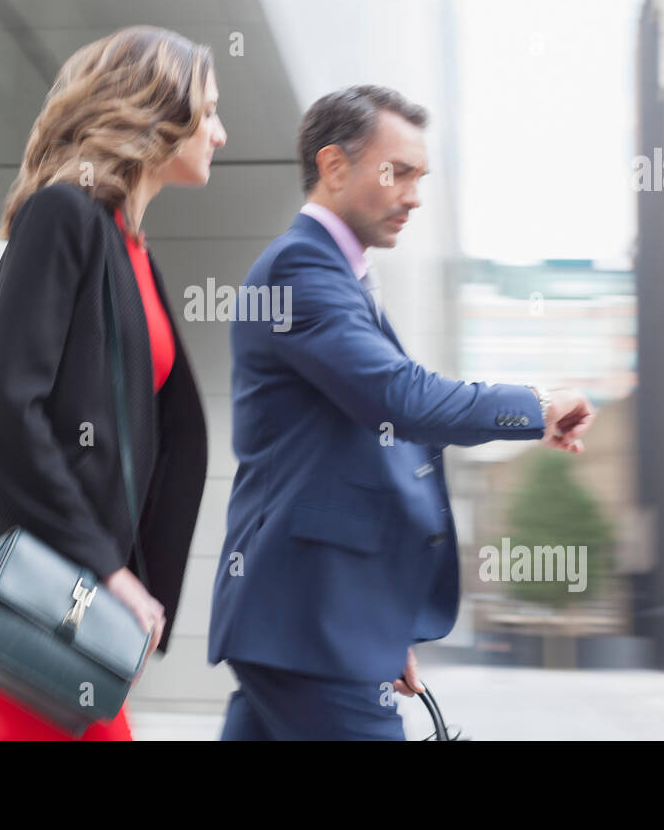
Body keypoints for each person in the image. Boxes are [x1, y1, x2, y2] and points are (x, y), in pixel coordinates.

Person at [207, 85, 594, 740]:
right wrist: (534, 406)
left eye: (421, 177)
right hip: (310, 623)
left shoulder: (337, 276)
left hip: (315, 623)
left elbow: (365, 444)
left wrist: (380, 628)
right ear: (333, 167)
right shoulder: (301, 270)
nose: (414, 195)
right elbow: (401, 399)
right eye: (399, 173)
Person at [0, 25, 227, 740]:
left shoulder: (134, 256)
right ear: (155, 112)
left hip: (76, 593)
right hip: (27, 584)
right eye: (207, 111)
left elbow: (146, 447)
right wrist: (106, 571)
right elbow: (5, 405)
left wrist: (129, 583)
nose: (220, 132)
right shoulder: (63, 216)